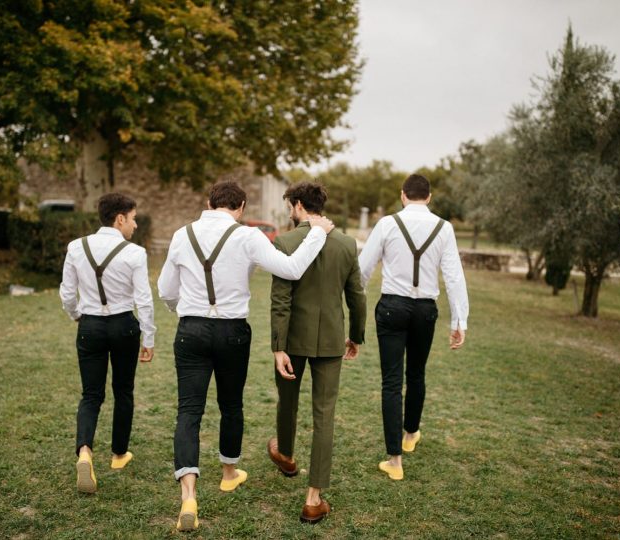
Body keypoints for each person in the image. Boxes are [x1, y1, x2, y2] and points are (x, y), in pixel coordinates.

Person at [157, 181, 334, 532]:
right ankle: (228, 473)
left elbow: (165, 290)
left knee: (188, 410)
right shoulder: (248, 236)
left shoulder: (181, 234)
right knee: (231, 404)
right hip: (231, 332)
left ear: (208, 203)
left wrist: (186, 312)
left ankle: (188, 495)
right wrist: (317, 233)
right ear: (240, 207)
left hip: (190, 329)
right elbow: (292, 268)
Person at [267, 182, 367, 524]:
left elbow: (280, 299)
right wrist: (355, 335)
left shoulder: (285, 241)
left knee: (287, 401)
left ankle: (286, 454)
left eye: (290, 206)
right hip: (331, 341)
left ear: (298, 206)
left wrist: (278, 346)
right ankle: (313, 498)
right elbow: (357, 296)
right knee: (324, 415)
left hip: (293, 341)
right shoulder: (346, 243)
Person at [358, 173, 468, 481]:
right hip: (424, 310)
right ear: (429, 198)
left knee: (392, 381)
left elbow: (363, 269)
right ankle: (410, 434)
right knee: (416, 373)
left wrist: (356, 306)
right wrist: (460, 320)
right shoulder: (444, 228)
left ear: (403, 195)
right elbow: (454, 276)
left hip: (392, 307)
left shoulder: (387, 224)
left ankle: (395, 460)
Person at [59, 192, 156, 494]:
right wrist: (149, 337)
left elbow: (66, 293)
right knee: (123, 390)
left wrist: (78, 316)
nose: (136, 225)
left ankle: (85, 451)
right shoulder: (134, 253)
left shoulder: (76, 247)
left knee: (91, 394)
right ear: (120, 219)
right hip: (124, 326)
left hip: (90, 326)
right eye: (133, 218)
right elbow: (144, 300)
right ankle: (118, 454)